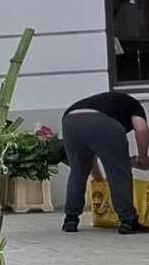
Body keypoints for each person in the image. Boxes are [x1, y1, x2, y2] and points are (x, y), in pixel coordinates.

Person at [60, 86, 149, 235]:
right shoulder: (135, 106)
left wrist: (98, 179)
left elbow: (91, 155)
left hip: (70, 120)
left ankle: (71, 219)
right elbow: (141, 129)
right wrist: (143, 156)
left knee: (78, 170)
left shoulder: (106, 102)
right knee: (118, 172)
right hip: (102, 121)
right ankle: (128, 221)